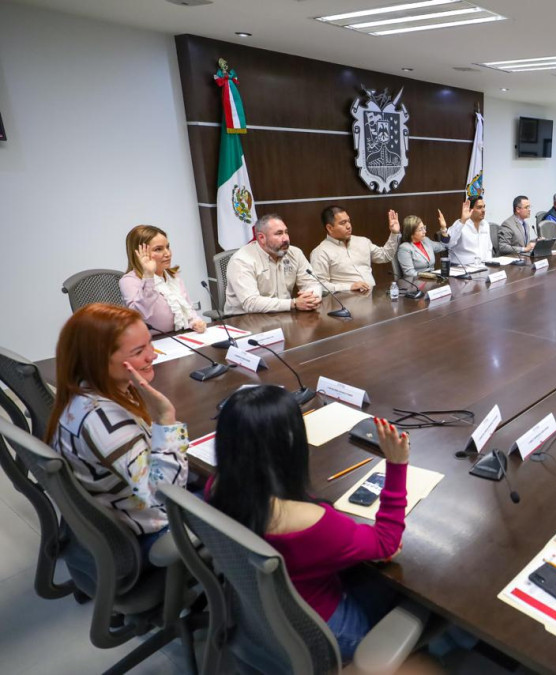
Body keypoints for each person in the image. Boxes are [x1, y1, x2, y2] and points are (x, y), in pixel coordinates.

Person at [207, 385, 409, 662]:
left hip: (259, 614)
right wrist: (397, 464)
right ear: (290, 442)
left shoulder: (215, 486)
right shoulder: (308, 522)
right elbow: (387, 542)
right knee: (413, 592)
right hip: (331, 632)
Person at [46, 303, 189, 562]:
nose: (153, 355)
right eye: (139, 351)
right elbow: (164, 495)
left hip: (123, 508)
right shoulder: (106, 422)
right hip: (147, 530)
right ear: (99, 360)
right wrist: (167, 420)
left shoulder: (85, 392)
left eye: (149, 344)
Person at [224, 214, 322, 315]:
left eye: (286, 232)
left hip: (283, 315)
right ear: (261, 238)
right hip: (245, 319)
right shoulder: (242, 260)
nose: (286, 239)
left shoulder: (295, 253)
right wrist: (293, 303)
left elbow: (312, 283)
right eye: (279, 234)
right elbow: (251, 303)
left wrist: (312, 299)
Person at [119, 225, 206, 334]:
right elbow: (139, 315)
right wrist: (148, 276)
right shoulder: (129, 281)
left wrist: (195, 321)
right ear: (139, 254)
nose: (168, 254)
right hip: (152, 342)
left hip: (179, 337)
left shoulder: (172, 276)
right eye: (158, 249)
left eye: (167, 247)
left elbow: (187, 307)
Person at [310, 205, 400, 293]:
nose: (348, 226)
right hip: (345, 302)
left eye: (349, 221)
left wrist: (394, 233)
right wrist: (349, 287)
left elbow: (385, 256)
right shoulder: (320, 252)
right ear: (329, 228)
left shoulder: (363, 242)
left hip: (371, 298)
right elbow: (319, 286)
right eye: (343, 223)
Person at [396, 213, 448, 279]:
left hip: (432, 281)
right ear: (411, 233)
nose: (425, 231)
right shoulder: (404, 248)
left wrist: (443, 228)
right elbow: (409, 272)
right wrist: (429, 276)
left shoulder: (426, 241)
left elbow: (444, 246)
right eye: (420, 229)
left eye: (424, 228)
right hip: (416, 283)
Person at [446, 196, 494, 264]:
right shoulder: (460, 224)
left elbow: (489, 248)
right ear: (470, 210)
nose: (483, 210)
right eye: (479, 207)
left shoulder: (485, 224)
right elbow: (448, 244)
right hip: (461, 268)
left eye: (484, 207)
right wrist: (462, 221)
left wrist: (489, 264)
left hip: (482, 266)